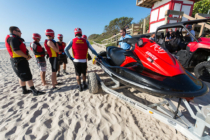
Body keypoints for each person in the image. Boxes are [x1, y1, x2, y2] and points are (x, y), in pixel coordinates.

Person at [5, 26, 45, 96]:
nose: (21, 33)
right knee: (28, 76)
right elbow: (16, 50)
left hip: (17, 60)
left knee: (21, 76)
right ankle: (34, 91)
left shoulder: (12, 38)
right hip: (19, 60)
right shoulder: (13, 39)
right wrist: (26, 56)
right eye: (19, 31)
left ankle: (24, 90)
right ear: (14, 31)